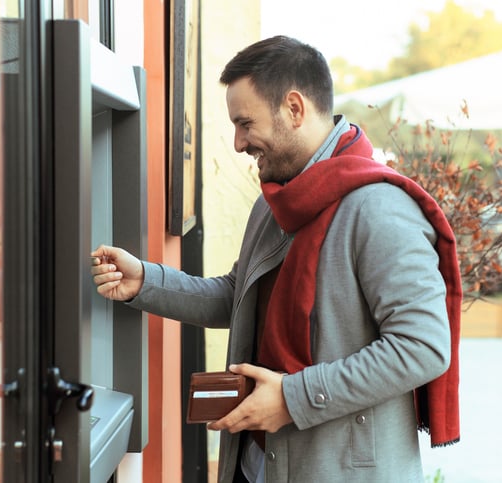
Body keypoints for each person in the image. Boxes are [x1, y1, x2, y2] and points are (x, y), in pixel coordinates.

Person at [91, 36, 461, 482]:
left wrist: (291, 397)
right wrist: (144, 282)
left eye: (245, 123)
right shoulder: (274, 204)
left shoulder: (381, 210)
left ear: (294, 108)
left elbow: (422, 347)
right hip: (256, 463)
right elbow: (236, 296)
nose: (237, 143)